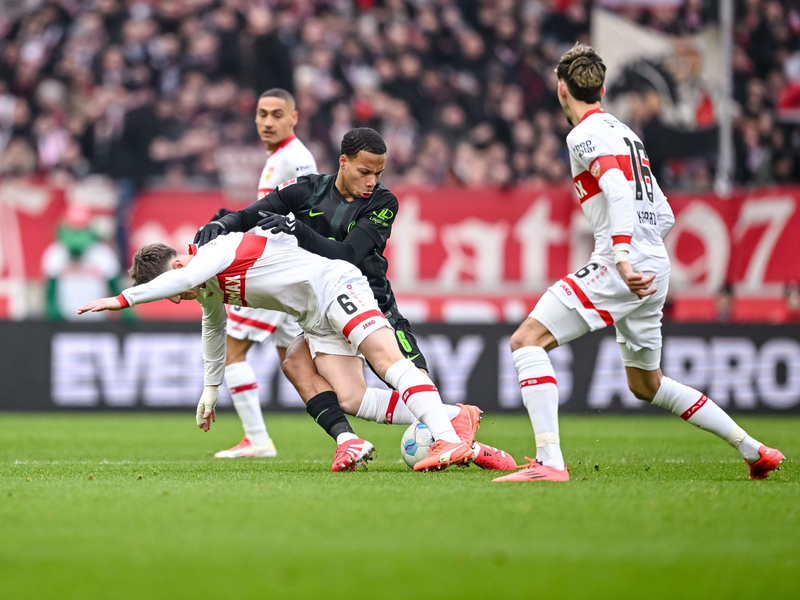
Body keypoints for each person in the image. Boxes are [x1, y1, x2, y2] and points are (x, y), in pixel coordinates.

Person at [493, 44, 785, 483]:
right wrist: (644, 249)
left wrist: (623, 255)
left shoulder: (583, 134)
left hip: (622, 264)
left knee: (526, 342)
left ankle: (549, 462)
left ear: (561, 90)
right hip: (652, 264)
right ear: (602, 90)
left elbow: (615, 187)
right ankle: (754, 450)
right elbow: (663, 212)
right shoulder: (627, 133)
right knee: (647, 384)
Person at [195, 127, 515, 470]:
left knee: (409, 378)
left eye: (378, 173)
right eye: (365, 172)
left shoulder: (383, 203)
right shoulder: (306, 190)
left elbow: (347, 254)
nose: (371, 182)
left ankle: (464, 443)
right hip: (324, 306)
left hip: (372, 304)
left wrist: (299, 231)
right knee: (329, 385)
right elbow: (251, 214)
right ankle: (432, 426)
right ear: (343, 162)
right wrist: (224, 224)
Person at [78, 232, 476, 473]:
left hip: (335, 285)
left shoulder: (215, 251)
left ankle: (446, 438)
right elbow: (213, 328)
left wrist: (122, 300)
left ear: (180, 265)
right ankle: (453, 416)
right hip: (313, 315)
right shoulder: (207, 286)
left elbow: (188, 279)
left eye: (176, 291)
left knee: (387, 362)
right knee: (351, 398)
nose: (180, 298)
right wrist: (211, 389)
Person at [212, 88, 317, 459]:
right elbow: (275, 211)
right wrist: (237, 220)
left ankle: (256, 439)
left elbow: (310, 208)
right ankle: (349, 433)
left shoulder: (296, 158)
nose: (268, 122)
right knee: (301, 368)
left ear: (294, 118)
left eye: (277, 114)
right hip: (285, 269)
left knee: (231, 351)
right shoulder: (280, 156)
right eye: (262, 114)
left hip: (272, 269)